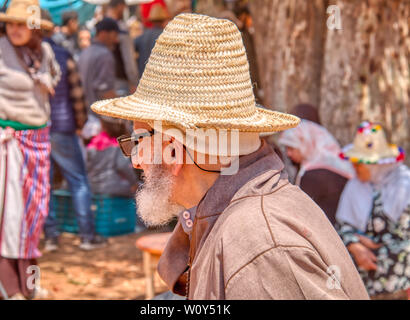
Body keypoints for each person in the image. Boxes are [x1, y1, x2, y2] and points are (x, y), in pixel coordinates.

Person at [91, 13, 369, 299]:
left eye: (140, 142)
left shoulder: (257, 244)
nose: (136, 160)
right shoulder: (227, 210)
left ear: (173, 149)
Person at [0, 0, 60, 299]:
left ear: (36, 27)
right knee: (7, 214)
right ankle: (8, 289)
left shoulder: (44, 52)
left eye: (23, 23)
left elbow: (53, 78)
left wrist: (45, 84)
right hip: (6, 143)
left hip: (38, 143)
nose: (16, 29)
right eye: (11, 23)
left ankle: (29, 285)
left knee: (33, 214)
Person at [42, 11, 105, 252]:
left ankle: (51, 237)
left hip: (38, 129)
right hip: (62, 127)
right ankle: (87, 236)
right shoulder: (62, 54)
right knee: (78, 180)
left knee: (45, 184)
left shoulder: (26, 55)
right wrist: (80, 125)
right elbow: (77, 94)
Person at [336, 121, 410, 300]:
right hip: (364, 284)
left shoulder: (405, 185)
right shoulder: (355, 186)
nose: (354, 168)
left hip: (401, 282)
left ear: (375, 165)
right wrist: (355, 244)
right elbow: (341, 227)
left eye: (359, 164)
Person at [277, 119, 354, 225]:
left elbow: (300, 213)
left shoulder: (311, 176)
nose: (288, 153)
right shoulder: (339, 165)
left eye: (291, 148)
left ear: (305, 144)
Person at [78, 17, 119, 141]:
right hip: (99, 121)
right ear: (104, 33)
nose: (116, 40)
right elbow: (105, 91)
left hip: (86, 117)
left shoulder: (85, 52)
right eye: (114, 34)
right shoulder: (104, 55)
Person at [86, 116, 138, 197]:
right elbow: (123, 165)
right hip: (114, 188)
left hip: (93, 187)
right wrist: (134, 183)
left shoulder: (93, 144)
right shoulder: (118, 145)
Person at [106, 0, 139, 96]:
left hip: (105, 80)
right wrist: (134, 81)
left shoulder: (101, 26)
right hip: (121, 81)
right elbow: (128, 58)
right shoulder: (120, 28)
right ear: (120, 6)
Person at [134, 3, 169, 77]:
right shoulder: (167, 36)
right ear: (163, 20)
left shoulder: (143, 36)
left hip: (144, 76)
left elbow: (132, 47)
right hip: (160, 77)